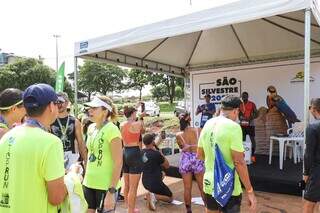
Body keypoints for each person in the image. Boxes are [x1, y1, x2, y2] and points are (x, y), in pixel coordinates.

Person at [0, 83, 67, 212]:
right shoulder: (51, 142)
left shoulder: (7, 136)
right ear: (51, 106)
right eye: (57, 103)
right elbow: (56, 198)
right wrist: (74, 178)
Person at [197, 95, 257, 213]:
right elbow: (239, 162)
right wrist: (250, 191)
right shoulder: (234, 127)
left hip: (210, 183)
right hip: (229, 185)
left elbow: (200, 155)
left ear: (222, 108)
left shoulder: (208, 124)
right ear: (235, 111)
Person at [83, 96, 123, 213]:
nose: (90, 110)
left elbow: (118, 162)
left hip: (106, 186)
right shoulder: (90, 128)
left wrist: (111, 191)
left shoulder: (112, 130)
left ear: (105, 111)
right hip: (88, 183)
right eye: (90, 108)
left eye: (94, 108)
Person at [176, 112, 205, 213]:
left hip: (185, 160)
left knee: (187, 188)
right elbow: (203, 146)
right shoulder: (198, 130)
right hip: (197, 158)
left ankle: (189, 210)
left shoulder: (179, 135)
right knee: (202, 187)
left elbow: (181, 148)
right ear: (190, 119)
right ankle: (208, 209)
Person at [51, 92, 87, 170]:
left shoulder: (75, 121)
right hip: (54, 155)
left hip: (71, 156)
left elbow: (81, 142)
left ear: (67, 103)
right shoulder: (50, 120)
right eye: (56, 102)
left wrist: (86, 160)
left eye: (61, 102)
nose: (58, 104)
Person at [121, 105, 145, 213]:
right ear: (133, 113)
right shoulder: (137, 123)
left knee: (126, 184)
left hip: (125, 151)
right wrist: (141, 117)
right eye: (135, 113)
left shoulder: (122, 124)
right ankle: (131, 210)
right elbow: (143, 130)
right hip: (134, 152)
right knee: (133, 187)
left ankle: (128, 207)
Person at [141, 133, 173, 211]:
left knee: (162, 174)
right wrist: (160, 153)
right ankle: (154, 196)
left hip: (145, 182)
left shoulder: (141, 152)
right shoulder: (156, 154)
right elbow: (167, 165)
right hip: (155, 182)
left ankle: (151, 193)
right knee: (170, 198)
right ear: (152, 142)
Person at [303, 98, 320, 213]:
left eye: (310, 108)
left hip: (317, 171)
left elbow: (308, 154)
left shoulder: (312, 128)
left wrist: (306, 173)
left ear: (314, 109)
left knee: (309, 203)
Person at [239, 91, 258, 163]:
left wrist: (250, 118)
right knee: (242, 140)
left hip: (250, 124)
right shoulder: (240, 105)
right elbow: (239, 114)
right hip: (242, 124)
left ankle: (253, 156)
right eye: (243, 96)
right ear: (241, 97)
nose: (244, 97)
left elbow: (257, 114)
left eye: (245, 96)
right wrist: (241, 118)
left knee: (252, 139)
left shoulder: (252, 104)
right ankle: (244, 155)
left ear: (248, 96)